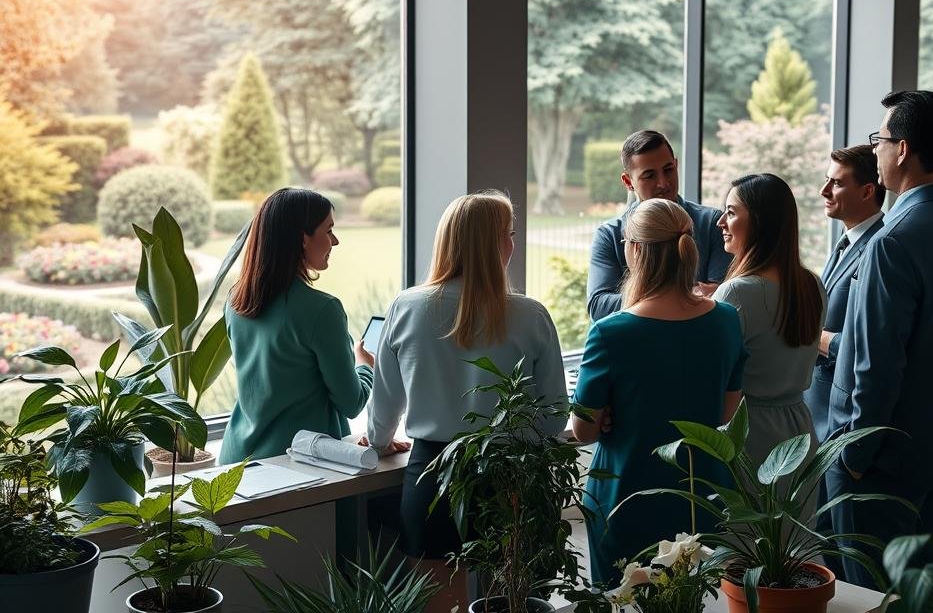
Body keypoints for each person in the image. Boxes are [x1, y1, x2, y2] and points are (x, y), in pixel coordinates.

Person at [826, 91, 933, 589]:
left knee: (869, 594)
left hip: (878, 462)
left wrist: (854, 457)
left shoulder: (893, 240)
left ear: (901, 150)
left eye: (879, 139)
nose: (874, 149)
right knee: (912, 592)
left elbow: (874, 365)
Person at [365, 190, 566, 613]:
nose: (513, 243)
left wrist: (380, 442)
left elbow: (383, 410)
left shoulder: (406, 306)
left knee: (438, 603)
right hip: (511, 476)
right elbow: (553, 418)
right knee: (508, 601)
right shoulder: (529, 315)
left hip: (430, 475)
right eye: (509, 234)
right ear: (499, 244)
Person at [572, 198, 746, 585]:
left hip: (626, 494)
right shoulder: (726, 319)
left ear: (634, 250)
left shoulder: (610, 332)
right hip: (702, 492)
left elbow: (583, 430)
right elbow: (723, 413)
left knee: (623, 600)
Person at [218, 188, 374, 563]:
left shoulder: (236, 302)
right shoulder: (322, 310)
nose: (335, 240)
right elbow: (351, 401)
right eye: (328, 230)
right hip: (305, 472)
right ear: (302, 237)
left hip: (238, 461)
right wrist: (365, 365)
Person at [712, 174, 825, 471]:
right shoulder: (812, 283)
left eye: (732, 212)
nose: (720, 222)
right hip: (800, 433)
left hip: (749, 437)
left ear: (760, 222)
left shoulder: (736, 292)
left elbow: (718, 378)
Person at [587, 130, 731, 321]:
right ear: (628, 181)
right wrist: (680, 295)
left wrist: (644, 299)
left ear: (677, 165)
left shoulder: (712, 223)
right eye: (649, 175)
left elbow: (725, 295)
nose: (663, 183)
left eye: (668, 170)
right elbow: (598, 306)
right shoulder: (610, 235)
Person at [806, 145, 885, 445]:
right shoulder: (845, 242)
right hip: (816, 410)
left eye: (837, 183)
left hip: (840, 418)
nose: (824, 190)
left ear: (867, 192)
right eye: (827, 180)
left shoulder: (878, 248)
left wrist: (815, 336)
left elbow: (866, 344)